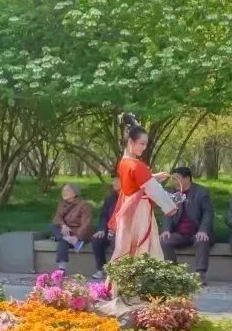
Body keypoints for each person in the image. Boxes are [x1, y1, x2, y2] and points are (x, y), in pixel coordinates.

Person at [109, 114, 177, 262]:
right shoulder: (137, 165)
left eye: (146, 144)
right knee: (144, 247)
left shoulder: (123, 163)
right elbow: (154, 190)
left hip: (128, 207)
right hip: (139, 210)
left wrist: (153, 177)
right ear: (131, 142)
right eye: (142, 143)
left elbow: (136, 183)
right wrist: (170, 206)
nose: (144, 148)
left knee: (126, 246)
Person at [160, 167, 213, 285]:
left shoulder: (201, 192)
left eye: (177, 179)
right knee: (165, 241)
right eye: (173, 179)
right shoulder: (173, 193)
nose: (174, 182)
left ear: (187, 179)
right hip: (180, 233)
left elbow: (208, 213)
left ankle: (200, 275)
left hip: (196, 231)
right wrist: (166, 229)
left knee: (202, 240)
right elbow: (167, 212)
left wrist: (203, 230)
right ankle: (173, 274)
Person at [51, 184, 93, 270]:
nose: (63, 192)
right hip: (66, 232)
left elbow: (86, 224)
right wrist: (63, 225)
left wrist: (76, 237)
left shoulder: (84, 205)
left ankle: (61, 269)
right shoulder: (62, 204)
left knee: (62, 240)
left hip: (78, 233)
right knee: (53, 226)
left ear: (74, 193)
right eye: (63, 190)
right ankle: (61, 269)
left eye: (67, 190)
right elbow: (57, 218)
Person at [90, 174, 121, 279]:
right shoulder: (110, 198)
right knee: (97, 240)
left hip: (123, 230)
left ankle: (118, 272)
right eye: (113, 181)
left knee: (116, 240)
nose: (113, 183)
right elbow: (104, 216)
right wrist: (102, 229)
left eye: (117, 180)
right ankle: (101, 269)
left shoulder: (129, 197)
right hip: (110, 229)